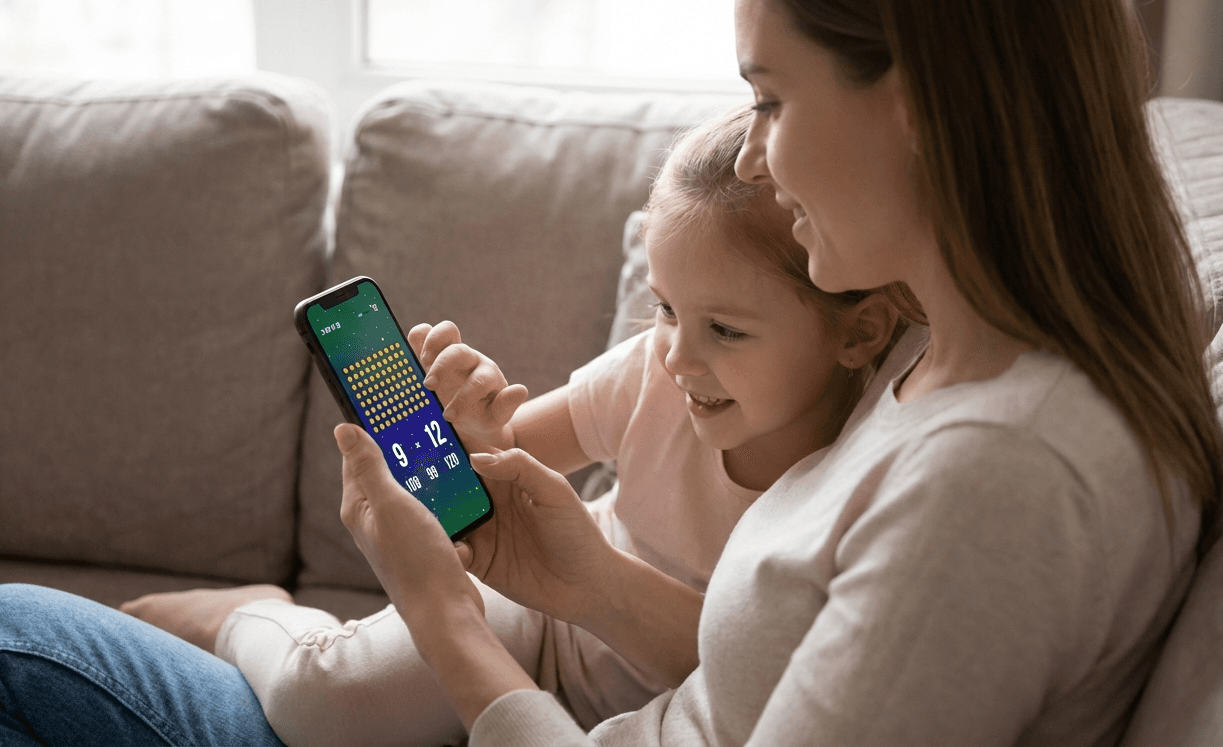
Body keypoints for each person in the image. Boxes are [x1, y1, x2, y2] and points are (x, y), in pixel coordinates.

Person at [0, 0, 1223, 744]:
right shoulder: (929, 351)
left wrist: (439, 618)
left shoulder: (1002, 474)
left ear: (914, 99)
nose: (753, 150)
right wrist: (581, 580)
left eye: (769, 96)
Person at [0, 105, 905, 746]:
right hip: (538, 619)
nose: (677, 356)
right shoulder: (651, 379)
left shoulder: (878, 474)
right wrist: (471, 433)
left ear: (858, 331)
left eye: (726, 330)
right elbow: (503, 470)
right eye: (666, 309)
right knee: (326, 707)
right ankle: (249, 614)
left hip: (657, 694)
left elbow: (761, 677)